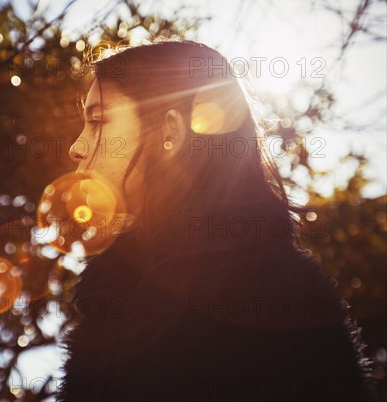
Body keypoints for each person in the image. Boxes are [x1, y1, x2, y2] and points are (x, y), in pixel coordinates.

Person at [55, 40, 378, 402]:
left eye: (97, 121)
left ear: (170, 133)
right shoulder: (109, 305)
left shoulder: (279, 296)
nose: (77, 147)